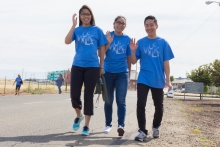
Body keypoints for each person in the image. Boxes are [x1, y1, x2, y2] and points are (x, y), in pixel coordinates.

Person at [64, 5, 108, 136]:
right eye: (83, 14)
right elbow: (66, 41)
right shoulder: (77, 30)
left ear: (91, 16)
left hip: (93, 67)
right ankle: (79, 115)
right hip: (77, 65)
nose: (85, 16)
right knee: (74, 95)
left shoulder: (97, 30)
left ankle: (86, 127)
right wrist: (73, 25)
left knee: (88, 96)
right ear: (80, 16)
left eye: (88, 14)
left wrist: (101, 67)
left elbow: (102, 49)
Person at [130, 15, 174, 141]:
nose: (149, 28)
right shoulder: (141, 42)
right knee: (140, 104)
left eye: (151, 25)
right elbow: (133, 62)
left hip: (158, 79)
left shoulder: (163, 43)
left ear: (156, 26)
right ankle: (142, 131)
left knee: (159, 107)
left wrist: (168, 80)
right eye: (146, 25)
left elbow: (166, 62)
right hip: (143, 77)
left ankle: (156, 126)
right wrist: (133, 51)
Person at [102, 16, 131, 137]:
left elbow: (129, 57)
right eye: (118, 22)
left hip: (122, 73)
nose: (120, 25)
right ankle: (108, 124)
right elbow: (102, 53)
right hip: (108, 72)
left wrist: (128, 73)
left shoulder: (127, 39)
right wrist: (108, 42)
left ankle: (121, 125)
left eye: (123, 23)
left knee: (121, 101)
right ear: (114, 24)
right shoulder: (108, 36)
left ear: (125, 26)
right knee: (108, 101)